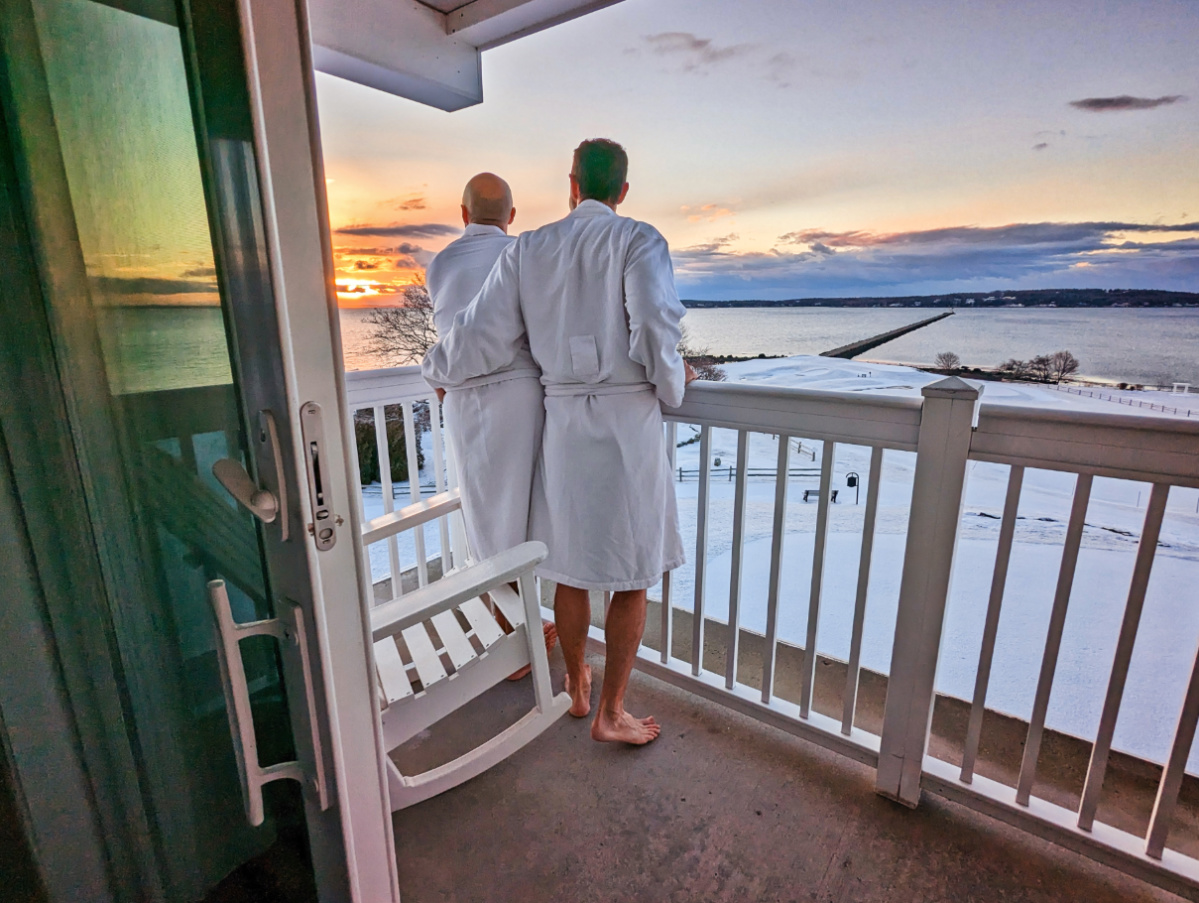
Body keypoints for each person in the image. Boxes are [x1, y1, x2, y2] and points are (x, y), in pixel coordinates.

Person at [423, 140, 695, 745]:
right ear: (623, 191)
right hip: (627, 425)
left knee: (570, 569)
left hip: (563, 424)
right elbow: (653, 324)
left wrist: (436, 370)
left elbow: (480, 332)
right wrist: (673, 382)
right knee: (631, 577)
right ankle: (613, 712)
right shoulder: (638, 239)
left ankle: (577, 687)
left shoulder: (529, 247)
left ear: (571, 184)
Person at [425, 172, 555, 678]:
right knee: (530, 509)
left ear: (462, 215)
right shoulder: (525, 252)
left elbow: (452, 331)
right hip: (521, 394)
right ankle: (522, 629)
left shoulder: (441, 263)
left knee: (485, 514)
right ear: (512, 217)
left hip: (461, 397)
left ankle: (513, 627)